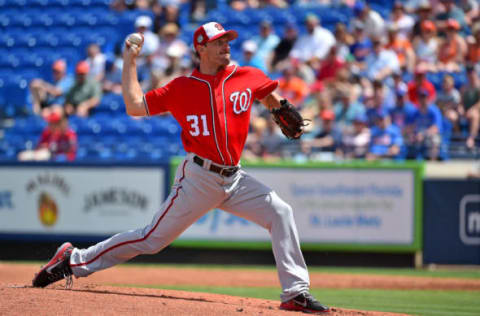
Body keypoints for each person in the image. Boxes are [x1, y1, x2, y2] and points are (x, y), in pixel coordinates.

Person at [32, 21, 329, 314]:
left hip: (235, 178)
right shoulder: (181, 88)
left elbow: (266, 94)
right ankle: (74, 259)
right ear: (201, 48)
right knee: (151, 239)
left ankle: (295, 293)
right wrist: (130, 62)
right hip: (199, 178)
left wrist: (279, 109)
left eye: (228, 40)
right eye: (219, 42)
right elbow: (135, 106)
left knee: (281, 212)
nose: (227, 45)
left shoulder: (247, 75)